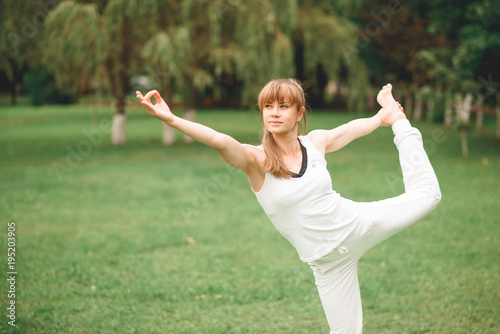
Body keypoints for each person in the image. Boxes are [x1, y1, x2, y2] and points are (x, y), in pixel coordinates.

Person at [136, 79, 441, 334]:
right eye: (268, 106)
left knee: (429, 195)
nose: (274, 113)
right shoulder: (256, 161)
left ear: (299, 113)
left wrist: (383, 118)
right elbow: (220, 140)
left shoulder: (315, 142)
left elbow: (352, 128)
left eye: (283, 106)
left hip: (358, 223)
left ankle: (401, 123)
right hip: (328, 264)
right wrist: (171, 119)